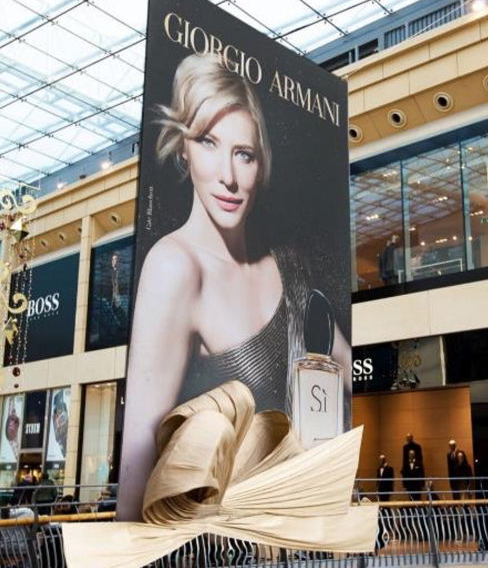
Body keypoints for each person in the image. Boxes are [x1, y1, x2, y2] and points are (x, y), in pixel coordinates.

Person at [122, 53, 352, 518]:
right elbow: (139, 461)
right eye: (208, 142)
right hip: (216, 540)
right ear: (184, 149)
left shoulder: (288, 264)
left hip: (296, 525)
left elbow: (343, 378)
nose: (227, 176)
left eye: (243, 154)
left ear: (260, 165)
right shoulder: (175, 266)